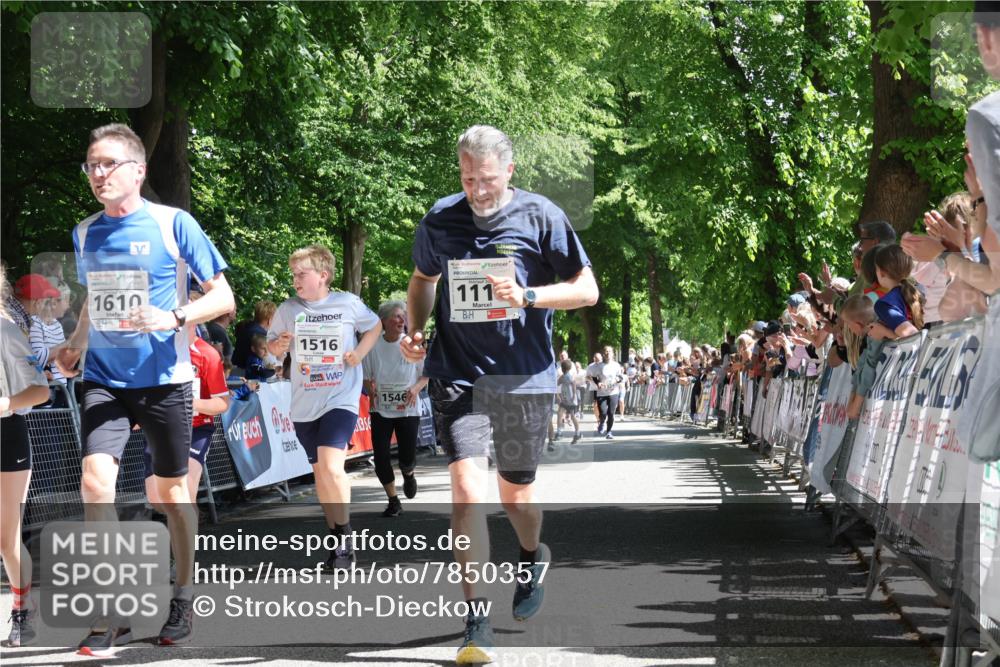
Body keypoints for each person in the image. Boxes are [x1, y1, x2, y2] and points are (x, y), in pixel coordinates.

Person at [400, 125, 598, 664]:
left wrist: (530, 294)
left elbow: (586, 289)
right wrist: (418, 331)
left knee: (517, 498)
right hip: (460, 374)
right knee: (467, 491)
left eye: (487, 180)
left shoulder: (540, 217)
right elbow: (422, 280)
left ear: (509, 171)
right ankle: (476, 623)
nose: (478, 191)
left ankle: (533, 555)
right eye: (468, 179)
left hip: (524, 378)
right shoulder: (440, 218)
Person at [54, 123, 234, 655]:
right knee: (94, 483)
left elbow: (222, 296)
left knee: (173, 496)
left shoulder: (173, 224)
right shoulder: (85, 232)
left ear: (138, 169)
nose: (98, 174)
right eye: (91, 165)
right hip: (105, 379)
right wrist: (76, 342)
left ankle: (182, 594)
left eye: (109, 164)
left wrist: (172, 314)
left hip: (165, 380)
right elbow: (95, 297)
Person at [267, 244, 381, 571]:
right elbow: (271, 353)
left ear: (323, 275)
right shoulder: (287, 309)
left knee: (332, 467)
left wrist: (359, 353)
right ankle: (335, 542)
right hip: (304, 404)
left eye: (301, 274)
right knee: (320, 474)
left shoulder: (347, 303)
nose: (295, 280)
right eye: (293, 274)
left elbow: (374, 326)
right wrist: (276, 346)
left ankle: (345, 542)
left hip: (340, 397)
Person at [143, 280, 230, 512]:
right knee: (158, 499)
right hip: (160, 429)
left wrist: (188, 404)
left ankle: (185, 546)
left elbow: (222, 403)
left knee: (185, 491)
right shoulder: (155, 350)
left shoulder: (208, 355)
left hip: (196, 429)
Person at [1, 265, 52, 646]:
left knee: (6, 538)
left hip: (6, 437)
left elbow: (41, 392)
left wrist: (6, 403)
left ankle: (22, 610)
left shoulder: (7, 330)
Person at [363, 300, 426, 517]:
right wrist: (370, 390)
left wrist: (416, 388)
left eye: (403, 317)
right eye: (396, 316)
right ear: (384, 321)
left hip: (407, 409)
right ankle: (393, 500)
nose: (401, 321)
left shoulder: (412, 344)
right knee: (381, 459)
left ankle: (408, 474)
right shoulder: (372, 345)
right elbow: (365, 376)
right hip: (381, 409)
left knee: (406, 459)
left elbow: (427, 373)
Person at [232, 300, 277, 372]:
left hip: (236, 371)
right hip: (250, 375)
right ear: (270, 320)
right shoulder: (262, 336)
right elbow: (270, 364)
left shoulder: (246, 328)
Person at [595, 345, 623, 439]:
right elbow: (595, 377)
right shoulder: (599, 366)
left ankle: (609, 432)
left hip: (613, 392)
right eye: (606, 351)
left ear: (612, 353)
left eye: (609, 351)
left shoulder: (616, 365)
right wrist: (598, 383)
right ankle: (602, 422)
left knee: (611, 413)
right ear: (603, 354)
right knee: (603, 412)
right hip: (602, 393)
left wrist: (616, 380)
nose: (608, 353)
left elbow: (620, 377)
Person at [554, 359, 580, 446]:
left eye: (563, 367)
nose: (563, 369)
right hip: (566, 399)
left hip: (570, 400)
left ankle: (577, 433)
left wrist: (573, 395)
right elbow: (557, 385)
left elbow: (574, 385)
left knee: (571, 416)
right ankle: (560, 431)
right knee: (560, 413)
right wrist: (558, 395)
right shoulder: (563, 376)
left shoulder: (568, 376)